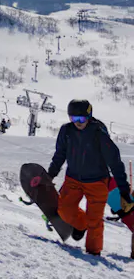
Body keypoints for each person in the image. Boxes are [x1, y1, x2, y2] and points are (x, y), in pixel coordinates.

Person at [47, 99, 133, 257]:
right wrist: (50, 174)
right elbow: (59, 155)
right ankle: (80, 225)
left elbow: (114, 161)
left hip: (97, 182)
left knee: (95, 220)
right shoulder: (66, 131)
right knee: (64, 211)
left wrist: (123, 189)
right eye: (74, 119)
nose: (78, 123)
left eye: (82, 119)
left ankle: (94, 253)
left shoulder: (98, 133)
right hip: (73, 179)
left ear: (89, 116)